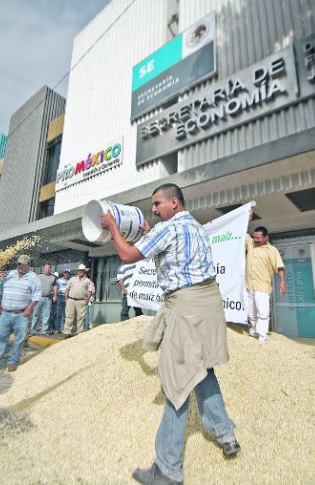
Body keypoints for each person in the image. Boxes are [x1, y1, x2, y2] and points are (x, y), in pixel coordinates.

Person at [100, 183, 240, 485]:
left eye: (157, 203)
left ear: (174, 203)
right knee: (202, 369)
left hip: (186, 307)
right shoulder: (197, 228)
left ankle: (167, 470)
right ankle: (226, 433)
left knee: (176, 382)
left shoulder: (169, 229)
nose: (153, 208)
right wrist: (151, 232)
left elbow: (127, 255)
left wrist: (113, 227)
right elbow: (169, 252)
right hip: (208, 304)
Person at [0, 254, 40, 373]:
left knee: (19, 339)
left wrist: (29, 309)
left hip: (21, 314)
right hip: (5, 313)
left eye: (23, 264)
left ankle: (13, 361)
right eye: (18, 264)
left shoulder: (33, 277)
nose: (20, 266)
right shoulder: (10, 274)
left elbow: (36, 295)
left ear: (28, 265)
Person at [244, 217, 286, 343]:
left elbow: (279, 266)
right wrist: (247, 217)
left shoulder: (272, 251)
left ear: (266, 237)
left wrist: (283, 282)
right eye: (254, 237)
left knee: (263, 313)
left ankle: (262, 337)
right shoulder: (251, 244)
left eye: (258, 238)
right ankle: (253, 332)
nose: (255, 240)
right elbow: (241, 231)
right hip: (248, 285)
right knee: (251, 313)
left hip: (262, 287)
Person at [62, 264, 91, 336]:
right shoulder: (72, 279)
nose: (80, 272)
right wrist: (66, 298)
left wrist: (87, 300)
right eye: (79, 271)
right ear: (78, 271)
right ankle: (67, 332)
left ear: (84, 272)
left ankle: (79, 332)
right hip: (71, 300)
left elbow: (89, 291)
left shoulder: (87, 281)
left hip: (81, 301)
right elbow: (67, 289)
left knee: (80, 317)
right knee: (69, 316)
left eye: (82, 271)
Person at [31, 264, 57, 336]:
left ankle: (44, 330)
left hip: (48, 298)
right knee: (36, 314)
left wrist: (55, 295)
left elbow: (55, 287)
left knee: (46, 315)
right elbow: (34, 285)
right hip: (38, 297)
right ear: (43, 268)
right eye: (46, 267)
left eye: (49, 267)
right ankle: (33, 330)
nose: (48, 269)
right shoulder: (39, 276)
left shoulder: (53, 277)